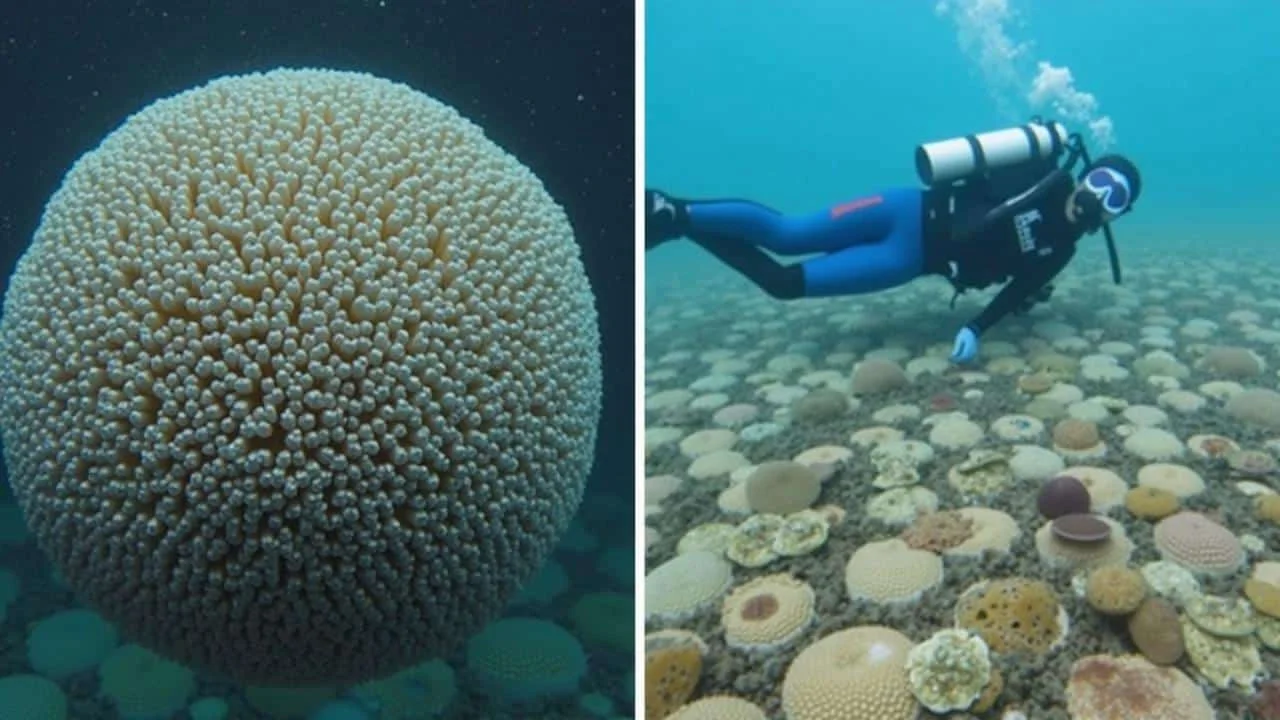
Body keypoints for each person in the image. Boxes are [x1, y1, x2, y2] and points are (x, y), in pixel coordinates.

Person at [645, 120, 1142, 364]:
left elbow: (1014, 292)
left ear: (1118, 214)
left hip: (909, 258)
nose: (1100, 198)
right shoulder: (1042, 172)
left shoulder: (1062, 251)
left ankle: (679, 225)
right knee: (788, 233)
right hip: (903, 208)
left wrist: (975, 327)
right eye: (1100, 182)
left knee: (783, 282)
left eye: (1115, 198)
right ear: (1087, 174)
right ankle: (676, 209)